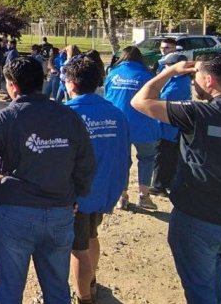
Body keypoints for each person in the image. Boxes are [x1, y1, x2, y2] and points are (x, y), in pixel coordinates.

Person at [130, 53, 221, 304]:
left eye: (195, 77)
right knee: (209, 272)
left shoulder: (199, 114)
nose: (193, 83)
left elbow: (140, 101)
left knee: (199, 289)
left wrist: (169, 72)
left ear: (209, 80)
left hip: (200, 220)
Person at [0, 57, 95, 304]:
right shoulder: (69, 116)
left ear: (13, 86)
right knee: (58, 288)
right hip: (60, 212)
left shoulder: (5, 118)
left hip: (15, 213)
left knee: (10, 289)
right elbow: (87, 162)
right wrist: (77, 194)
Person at [63, 56, 131, 304]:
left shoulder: (67, 114)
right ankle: (90, 281)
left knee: (78, 247)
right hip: (103, 191)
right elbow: (125, 154)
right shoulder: (116, 113)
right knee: (91, 236)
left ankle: (84, 296)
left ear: (70, 83)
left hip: (75, 197)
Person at [104, 46, 161, 211]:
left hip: (118, 124)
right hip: (143, 124)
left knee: (122, 161)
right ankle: (144, 195)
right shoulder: (147, 75)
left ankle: (122, 197)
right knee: (147, 158)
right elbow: (156, 98)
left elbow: (108, 95)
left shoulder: (113, 74)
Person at [150, 51, 192, 197]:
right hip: (168, 126)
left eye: (167, 66)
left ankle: (159, 185)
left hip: (168, 127)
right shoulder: (176, 79)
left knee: (163, 156)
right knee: (167, 155)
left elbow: (160, 102)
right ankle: (164, 182)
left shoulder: (178, 85)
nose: (164, 68)